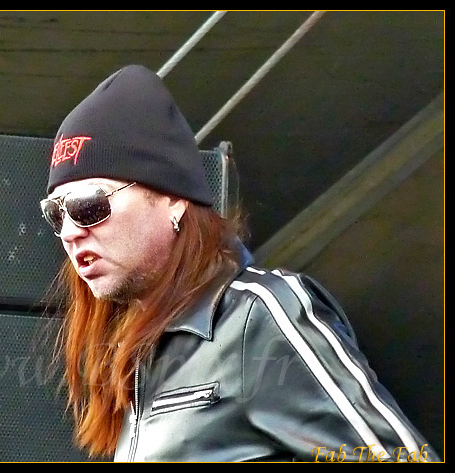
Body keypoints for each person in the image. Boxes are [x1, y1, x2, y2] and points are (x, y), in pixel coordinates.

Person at [39, 64, 440, 462]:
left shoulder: (260, 316)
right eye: (57, 213)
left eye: (89, 206)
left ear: (173, 199)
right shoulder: (141, 354)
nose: (70, 232)